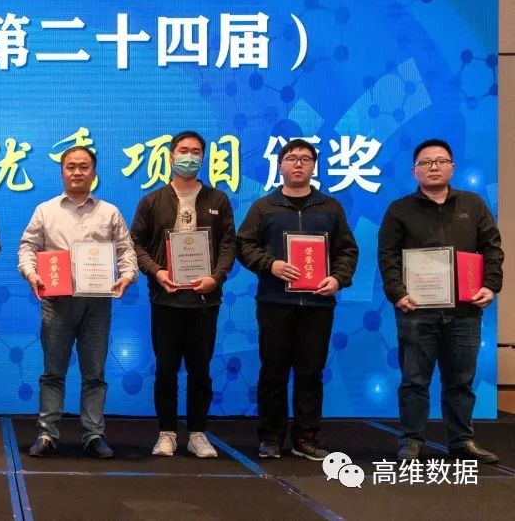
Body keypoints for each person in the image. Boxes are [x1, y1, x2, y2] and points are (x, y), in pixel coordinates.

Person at [377, 138, 504, 463]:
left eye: (440, 161)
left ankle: (462, 441)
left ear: (452, 167)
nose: (433, 167)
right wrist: (397, 293)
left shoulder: (473, 205)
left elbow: (492, 248)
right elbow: (388, 256)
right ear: (414, 171)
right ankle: (411, 441)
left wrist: (491, 286)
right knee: (414, 380)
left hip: (464, 311)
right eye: (425, 162)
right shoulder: (399, 210)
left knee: (461, 381)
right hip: (416, 310)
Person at [236, 138, 358, 461]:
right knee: (272, 371)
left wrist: (338, 278)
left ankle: (306, 437)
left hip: (317, 305)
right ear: (280, 165)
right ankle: (271, 436)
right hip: (275, 303)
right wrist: (271, 264)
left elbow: (347, 250)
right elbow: (244, 245)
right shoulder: (264, 207)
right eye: (291, 158)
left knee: (310, 373)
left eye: (305, 158)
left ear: (314, 166)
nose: (299, 163)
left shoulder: (330, 207)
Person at [20, 146, 137, 459]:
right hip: (57, 302)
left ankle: (94, 434)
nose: (77, 172)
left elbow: (126, 250)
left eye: (84, 166)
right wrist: (31, 274)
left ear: (94, 173)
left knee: (94, 374)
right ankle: (47, 433)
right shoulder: (45, 210)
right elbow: (27, 248)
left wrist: (127, 276)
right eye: (71, 166)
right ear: (62, 172)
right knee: (53, 372)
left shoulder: (109, 212)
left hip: (97, 305)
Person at [130, 131, 236, 459]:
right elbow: (135, 243)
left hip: (204, 301)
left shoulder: (218, 199)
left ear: (203, 158)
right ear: (171, 156)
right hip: (166, 299)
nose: (189, 156)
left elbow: (228, 244)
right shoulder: (152, 201)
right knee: (165, 370)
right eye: (183, 150)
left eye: (196, 151)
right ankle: (166, 433)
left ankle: (198, 434)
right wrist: (157, 272)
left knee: (200, 370)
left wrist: (216, 278)